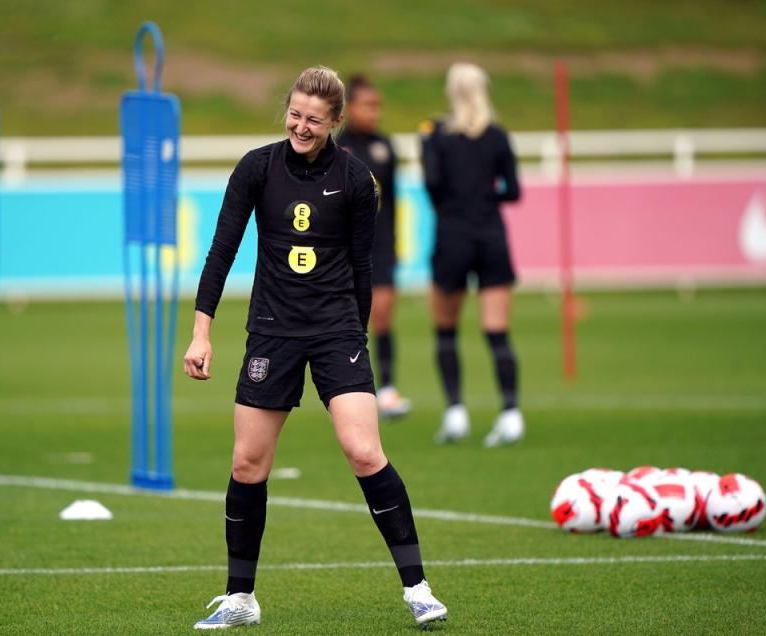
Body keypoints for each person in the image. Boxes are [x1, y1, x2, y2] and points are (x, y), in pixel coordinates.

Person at [183, 66, 447, 630]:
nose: (301, 126)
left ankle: (419, 588)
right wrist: (201, 331)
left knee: (364, 451)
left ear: (335, 123)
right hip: (272, 332)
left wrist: (356, 337)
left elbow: (361, 266)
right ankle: (240, 598)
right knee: (247, 463)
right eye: (295, 115)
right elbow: (221, 251)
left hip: (334, 332)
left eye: (314, 120)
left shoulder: (355, 180)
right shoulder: (256, 167)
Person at [419, 62, 524, 447]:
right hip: (492, 235)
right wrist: (485, 196)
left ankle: (456, 412)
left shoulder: (435, 135)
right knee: (497, 332)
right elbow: (513, 191)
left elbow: (431, 183)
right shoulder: (497, 136)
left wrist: (456, 202)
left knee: (446, 330)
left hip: (453, 235)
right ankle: (511, 414)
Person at [339, 74, 411, 419]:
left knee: (382, 315)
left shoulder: (386, 147)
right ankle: (351, 388)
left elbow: (394, 201)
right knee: (352, 320)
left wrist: (396, 244)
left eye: (377, 105)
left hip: (381, 245)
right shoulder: (337, 147)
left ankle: (388, 388)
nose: (373, 112)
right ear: (349, 107)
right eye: (367, 105)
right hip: (345, 246)